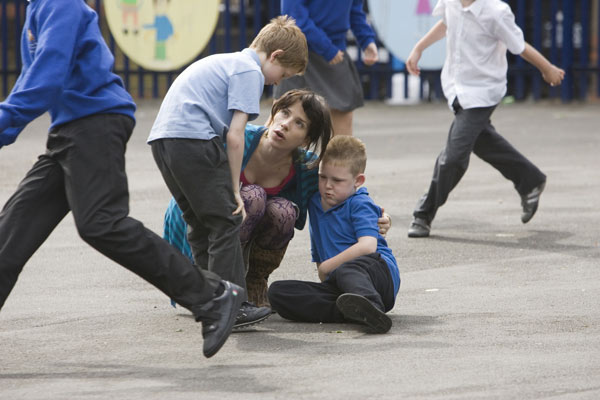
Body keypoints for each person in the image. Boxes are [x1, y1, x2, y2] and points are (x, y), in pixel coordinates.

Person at [0, 0, 243, 358]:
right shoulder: (40, 6)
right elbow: (33, 77)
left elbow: (46, 77)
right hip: (69, 131)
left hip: (94, 123)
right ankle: (211, 295)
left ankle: (212, 295)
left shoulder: (61, 4)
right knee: (10, 237)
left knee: (101, 223)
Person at [164, 89, 392, 308]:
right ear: (274, 113)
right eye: (285, 113)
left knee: (284, 211)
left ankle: (254, 283)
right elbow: (191, 189)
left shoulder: (306, 168)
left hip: (237, 235)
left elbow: (346, 185)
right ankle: (222, 283)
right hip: (198, 237)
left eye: (299, 124)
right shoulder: (236, 140)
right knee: (253, 196)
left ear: (306, 139)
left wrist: (378, 216)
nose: (286, 124)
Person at [148, 16, 308, 328]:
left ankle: (206, 299)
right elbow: (235, 136)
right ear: (274, 56)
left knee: (199, 222)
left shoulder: (227, 62)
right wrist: (234, 187)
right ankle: (232, 306)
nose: (277, 82)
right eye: (283, 74)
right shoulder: (250, 72)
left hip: (163, 141)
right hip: (193, 140)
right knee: (226, 219)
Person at [405, 0, 565, 238]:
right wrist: (419, 47)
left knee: (454, 157)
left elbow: (519, 46)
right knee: (480, 140)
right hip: (457, 88)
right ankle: (530, 181)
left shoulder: (495, 12)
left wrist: (547, 67)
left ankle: (423, 213)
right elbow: (447, 23)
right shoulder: (451, 2)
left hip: (483, 92)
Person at [268, 136, 400, 334]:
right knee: (279, 292)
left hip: (378, 276)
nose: (328, 185)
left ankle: (372, 307)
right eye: (323, 177)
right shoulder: (315, 202)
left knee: (346, 269)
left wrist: (328, 266)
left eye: (337, 180)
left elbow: (368, 247)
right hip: (341, 284)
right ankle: (352, 311)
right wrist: (327, 269)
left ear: (358, 181)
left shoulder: (359, 203)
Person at [273, 0, 379, 136]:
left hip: (334, 51)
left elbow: (354, 11)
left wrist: (367, 41)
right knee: (282, 126)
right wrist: (327, 48)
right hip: (298, 51)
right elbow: (293, 16)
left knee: (341, 138)